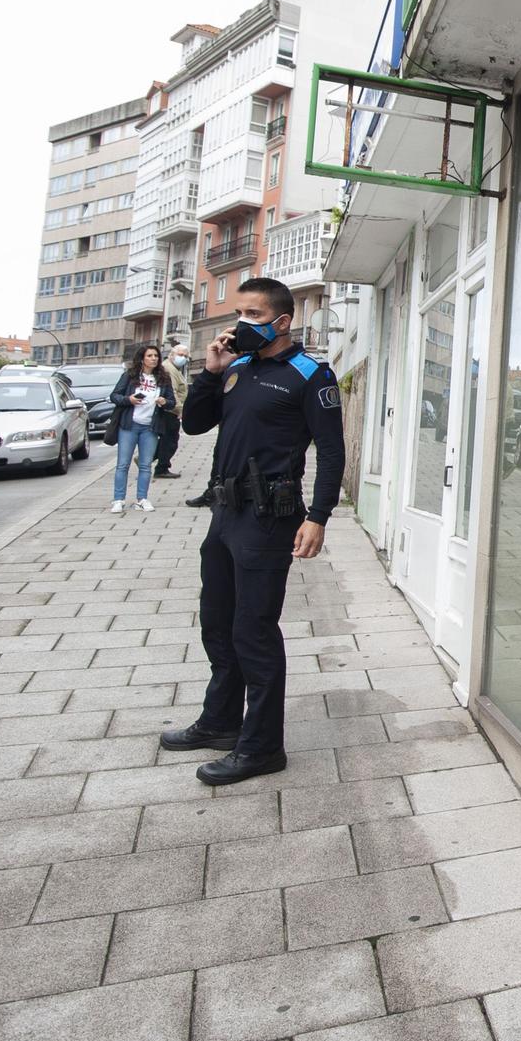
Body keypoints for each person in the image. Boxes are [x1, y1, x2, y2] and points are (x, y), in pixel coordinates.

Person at [164, 277, 344, 785]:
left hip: (270, 518)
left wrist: (319, 516)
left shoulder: (311, 375)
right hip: (225, 514)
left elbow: (331, 452)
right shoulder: (237, 368)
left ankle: (263, 748)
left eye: (252, 314)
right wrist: (209, 371)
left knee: (254, 632)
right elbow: (195, 425)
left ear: (282, 321)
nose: (240, 323)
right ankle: (221, 722)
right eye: (238, 313)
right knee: (217, 623)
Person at [107, 344, 174, 515]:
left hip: (150, 427)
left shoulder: (163, 378)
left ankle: (142, 499)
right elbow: (115, 396)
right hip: (129, 426)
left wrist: (164, 402)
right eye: (150, 356)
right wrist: (129, 399)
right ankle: (118, 500)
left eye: (156, 356)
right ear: (142, 358)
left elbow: (171, 401)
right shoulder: (130, 376)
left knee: (145, 465)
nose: (154, 358)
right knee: (123, 464)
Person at [152, 343, 190, 479]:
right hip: (170, 410)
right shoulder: (169, 369)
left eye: (185, 356)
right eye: (181, 355)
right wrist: (179, 410)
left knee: (166, 440)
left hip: (170, 409)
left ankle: (147, 459)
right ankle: (161, 468)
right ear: (172, 355)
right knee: (170, 440)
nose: (183, 358)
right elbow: (172, 392)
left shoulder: (174, 368)